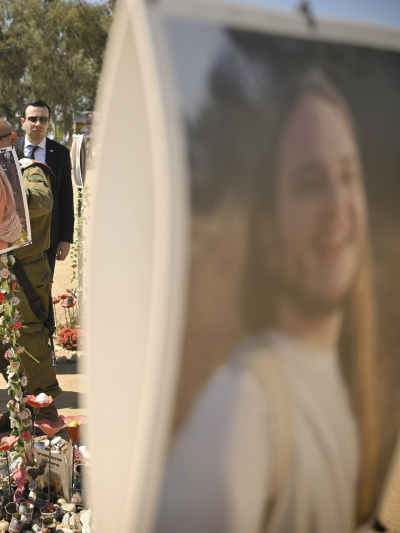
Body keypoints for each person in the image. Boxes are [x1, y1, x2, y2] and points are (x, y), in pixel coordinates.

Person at [156, 72, 378, 533]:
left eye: (347, 175)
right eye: (310, 183)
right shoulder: (240, 409)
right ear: (268, 235)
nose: (338, 203)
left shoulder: (342, 383)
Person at [0, 119, 61, 427]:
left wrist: (5, 190)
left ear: (12, 139)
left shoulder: (29, 170)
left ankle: (45, 410)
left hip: (27, 269)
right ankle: (20, 408)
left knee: (30, 339)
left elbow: (42, 202)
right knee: (0, 340)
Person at [17, 99, 74, 275]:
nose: (37, 123)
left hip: (48, 236)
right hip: (13, 233)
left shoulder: (60, 153)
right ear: (23, 122)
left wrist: (65, 239)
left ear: (49, 122)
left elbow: (66, 198)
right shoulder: (10, 149)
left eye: (43, 119)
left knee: (43, 285)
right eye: (32, 119)